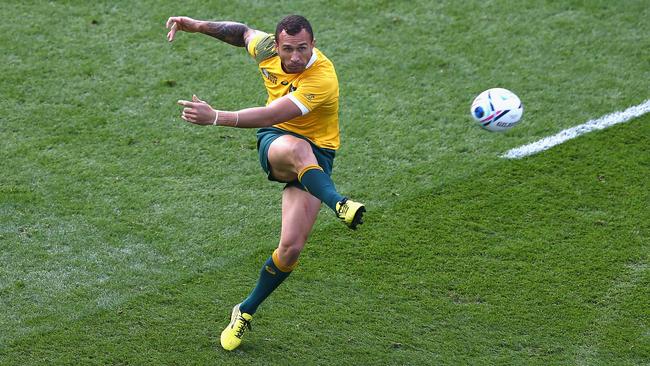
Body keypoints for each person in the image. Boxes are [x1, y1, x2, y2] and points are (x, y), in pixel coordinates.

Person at [165, 14, 366, 351]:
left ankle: (244, 310)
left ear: (313, 44)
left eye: (303, 48)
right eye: (289, 49)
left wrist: (215, 117)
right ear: (278, 44)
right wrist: (194, 25)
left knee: (290, 249)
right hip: (277, 141)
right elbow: (240, 33)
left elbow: (275, 110)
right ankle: (339, 203)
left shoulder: (322, 77)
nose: (296, 57)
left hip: (319, 155)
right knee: (297, 147)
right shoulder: (267, 48)